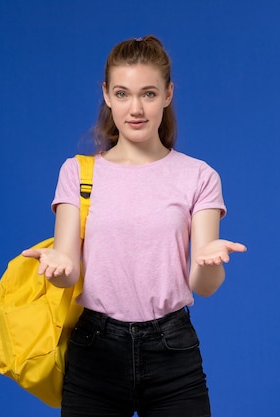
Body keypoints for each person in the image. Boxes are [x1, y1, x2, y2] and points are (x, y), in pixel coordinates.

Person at [22, 35, 246, 417]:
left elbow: (202, 287)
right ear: (107, 95)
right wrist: (57, 269)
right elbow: (69, 268)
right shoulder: (77, 173)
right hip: (95, 349)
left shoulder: (199, 176)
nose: (136, 108)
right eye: (123, 94)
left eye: (149, 94)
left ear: (168, 94)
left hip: (172, 350)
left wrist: (210, 262)